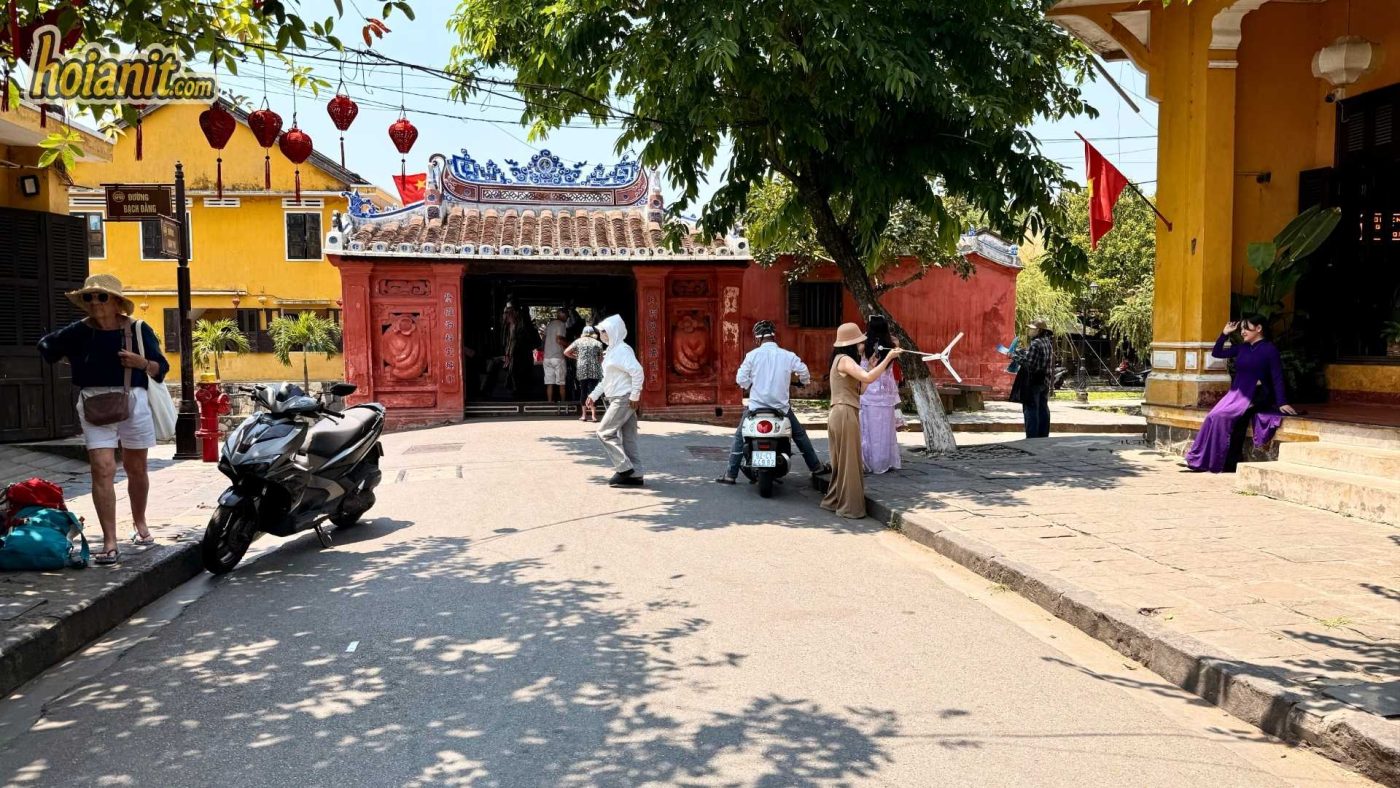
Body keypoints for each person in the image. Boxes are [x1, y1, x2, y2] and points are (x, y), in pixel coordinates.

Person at [37, 274, 169, 565]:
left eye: (102, 296)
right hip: (94, 402)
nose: (95, 302)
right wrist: (77, 362)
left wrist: (142, 363)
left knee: (137, 468)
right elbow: (46, 347)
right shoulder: (78, 332)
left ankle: (140, 523)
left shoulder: (138, 329)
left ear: (117, 301)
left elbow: (162, 368)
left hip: (133, 400)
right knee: (102, 468)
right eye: (89, 297)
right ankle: (110, 541)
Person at [714, 320, 830, 485]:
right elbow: (804, 371)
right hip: (781, 409)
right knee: (799, 435)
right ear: (774, 337)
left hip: (755, 409)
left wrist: (749, 384)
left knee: (740, 437)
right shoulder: (787, 355)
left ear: (758, 339)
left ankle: (730, 475)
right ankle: (816, 467)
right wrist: (803, 381)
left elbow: (741, 379)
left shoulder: (752, 356)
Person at [1185, 316, 1298, 473]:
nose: (1243, 332)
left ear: (1259, 329)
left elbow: (1277, 377)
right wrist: (1224, 334)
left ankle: (1226, 462)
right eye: (1242, 329)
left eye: (1246, 328)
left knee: (1225, 418)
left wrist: (1282, 402)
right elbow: (1217, 353)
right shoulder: (1242, 347)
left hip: (1258, 394)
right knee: (1212, 416)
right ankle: (1200, 459)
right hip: (1236, 393)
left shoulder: (1269, 349)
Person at [821, 323, 903, 519]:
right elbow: (866, 376)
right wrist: (888, 358)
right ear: (851, 343)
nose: (862, 345)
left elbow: (862, 388)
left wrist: (875, 365)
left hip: (844, 411)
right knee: (850, 461)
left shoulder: (843, 360)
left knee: (843, 461)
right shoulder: (845, 360)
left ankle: (834, 500)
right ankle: (850, 508)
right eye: (859, 342)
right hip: (844, 413)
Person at [587, 314, 646, 487]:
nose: (602, 335)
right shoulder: (613, 350)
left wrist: (635, 395)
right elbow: (607, 379)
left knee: (604, 432)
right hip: (619, 397)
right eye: (601, 332)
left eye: (604, 331)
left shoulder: (622, 349)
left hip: (623, 398)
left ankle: (624, 468)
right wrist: (594, 395)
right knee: (628, 438)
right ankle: (636, 475)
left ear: (614, 331)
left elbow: (637, 371)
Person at [860, 315, 904, 474]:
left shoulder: (862, 346)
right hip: (886, 392)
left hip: (868, 389)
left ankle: (869, 460)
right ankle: (885, 460)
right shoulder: (893, 344)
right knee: (886, 429)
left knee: (868, 429)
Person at [1010, 319, 1054, 439]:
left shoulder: (1036, 344)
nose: (1029, 330)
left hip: (1033, 381)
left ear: (1038, 330)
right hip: (1045, 381)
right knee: (1043, 408)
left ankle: (1032, 438)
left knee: (1031, 409)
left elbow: (1029, 364)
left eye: (1031, 329)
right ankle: (1043, 436)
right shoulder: (1047, 342)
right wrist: (1023, 352)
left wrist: (1013, 356)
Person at [565, 325, 605, 422]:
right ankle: (594, 416)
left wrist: (577, 357)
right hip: (594, 369)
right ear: (593, 333)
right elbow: (601, 358)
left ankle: (583, 415)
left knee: (583, 391)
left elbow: (566, 352)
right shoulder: (598, 343)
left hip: (582, 369)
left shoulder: (578, 342)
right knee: (593, 392)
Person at [542, 307, 569, 406]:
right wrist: (570, 345)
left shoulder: (549, 324)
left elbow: (543, 339)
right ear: (563, 315)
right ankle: (563, 403)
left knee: (549, 382)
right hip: (557, 357)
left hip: (547, 357)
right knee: (561, 382)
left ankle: (549, 402)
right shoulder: (561, 324)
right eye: (566, 316)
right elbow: (559, 340)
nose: (567, 318)